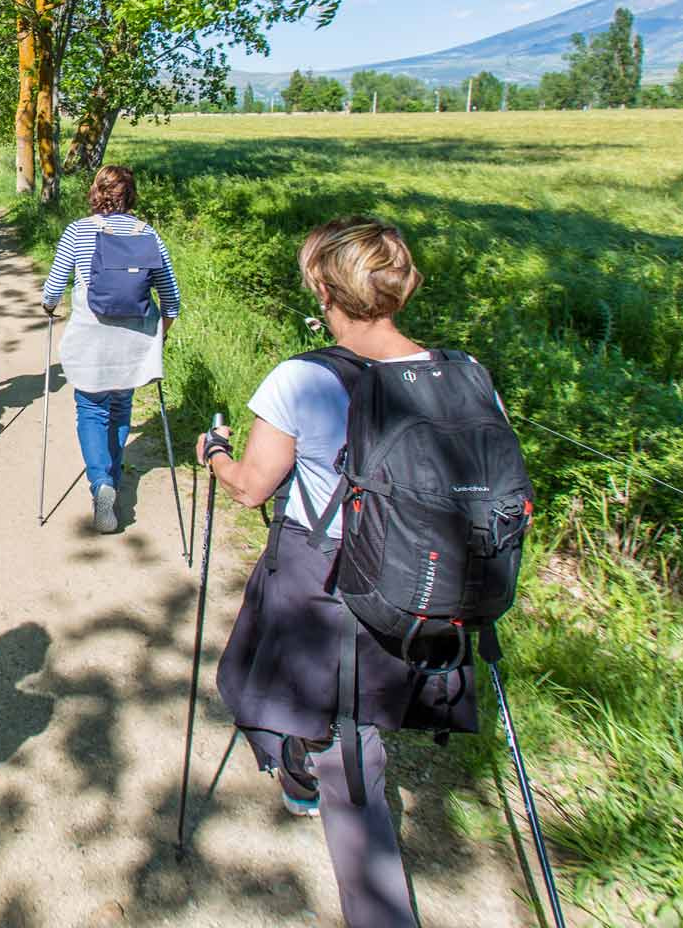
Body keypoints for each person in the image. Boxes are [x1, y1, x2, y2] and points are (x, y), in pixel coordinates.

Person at [195, 217, 478, 928]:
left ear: (323, 288)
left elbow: (253, 487)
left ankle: (370, 890)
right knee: (318, 713)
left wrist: (213, 454)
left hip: (333, 589)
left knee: (345, 756)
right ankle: (304, 759)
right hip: (431, 591)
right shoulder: (466, 376)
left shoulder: (304, 378)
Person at [39, 164, 180, 534]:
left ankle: (100, 482)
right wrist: (157, 338)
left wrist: (49, 307)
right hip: (133, 343)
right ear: (131, 195)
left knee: (91, 409)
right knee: (120, 407)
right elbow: (173, 300)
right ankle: (114, 481)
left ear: (95, 192)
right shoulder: (148, 235)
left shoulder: (78, 231)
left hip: (91, 338)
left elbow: (53, 288)